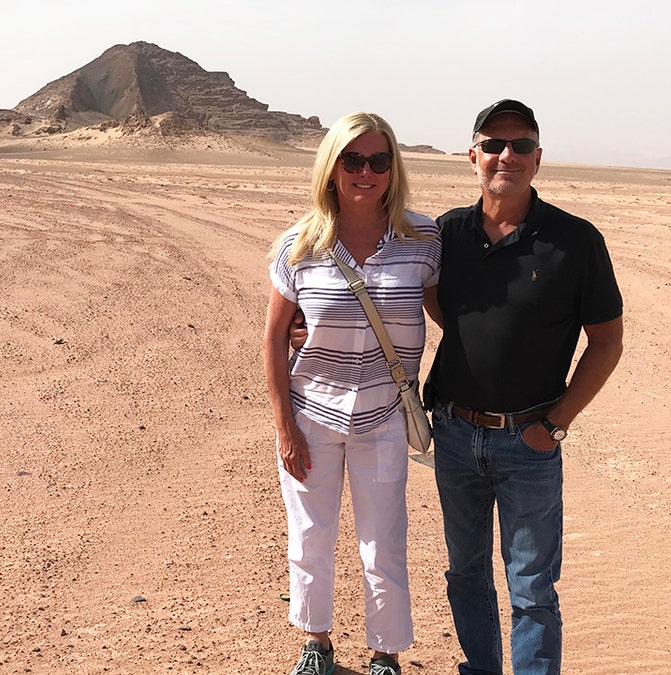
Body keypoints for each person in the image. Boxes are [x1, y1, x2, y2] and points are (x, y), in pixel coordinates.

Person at [423, 99, 624, 675]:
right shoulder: (448, 232)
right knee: (464, 571)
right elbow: (423, 299)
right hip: (456, 433)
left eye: (520, 145)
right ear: (473, 157)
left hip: (529, 440)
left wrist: (555, 425)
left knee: (531, 585)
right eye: (493, 144)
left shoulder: (575, 240)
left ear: (538, 159)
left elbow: (606, 343)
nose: (505, 155)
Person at [263, 112, 441, 675]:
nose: (367, 171)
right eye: (353, 159)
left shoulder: (422, 239)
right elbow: (272, 340)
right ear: (332, 167)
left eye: (379, 160)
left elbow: (456, 316)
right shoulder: (300, 245)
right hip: (312, 415)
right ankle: (316, 646)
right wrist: (285, 428)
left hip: (384, 420)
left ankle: (384, 654)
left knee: (383, 543)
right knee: (310, 537)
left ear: (393, 169)